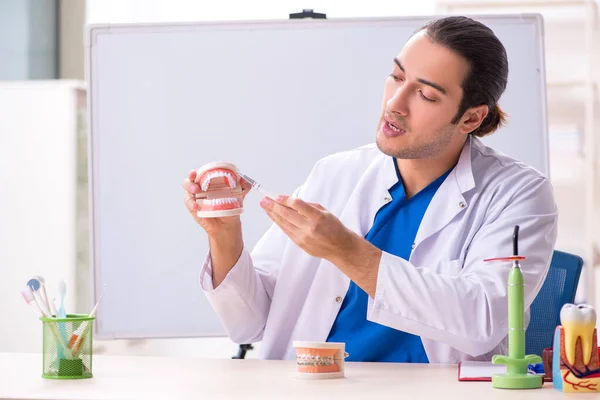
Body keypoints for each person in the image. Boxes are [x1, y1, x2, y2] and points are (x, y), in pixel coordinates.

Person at [182, 16, 558, 364]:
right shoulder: (336, 173)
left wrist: (348, 252)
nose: (395, 104)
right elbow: (251, 323)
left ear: (471, 117)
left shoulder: (518, 194)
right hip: (316, 385)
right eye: (396, 77)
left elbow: (484, 322)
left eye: (425, 95)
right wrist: (224, 234)